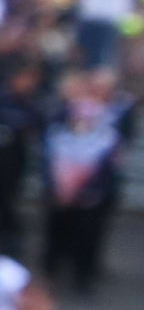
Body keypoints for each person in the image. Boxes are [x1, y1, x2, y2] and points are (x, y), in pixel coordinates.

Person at [42, 71, 127, 293]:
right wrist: (57, 188)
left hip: (90, 200)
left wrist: (90, 192)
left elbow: (108, 172)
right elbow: (50, 164)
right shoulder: (59, 136)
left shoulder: (106, 140)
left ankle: (83, 277)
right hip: (62, 197)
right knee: (57, 235)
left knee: (87, 238)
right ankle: (51, 273)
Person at [0, 57, 52, 261]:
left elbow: (38, 126)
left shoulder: (33, 102)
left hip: (16, 154)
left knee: (10, 196)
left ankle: (11, 234)